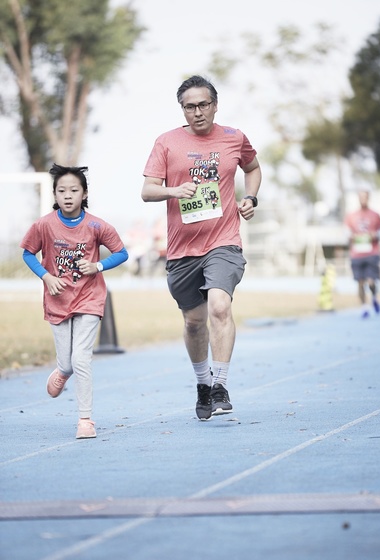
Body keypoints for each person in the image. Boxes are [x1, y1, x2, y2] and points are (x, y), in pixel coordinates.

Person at [141, 75, 261, 421]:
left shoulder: (233, 138)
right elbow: (148, 190)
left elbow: (252, 168)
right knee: (194, 323)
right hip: (182, 250)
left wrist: (250, 197)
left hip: (223, 241)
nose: (197, 112)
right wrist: (174, 191)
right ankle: (203, 385)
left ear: (215, 104)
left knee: (220, 307)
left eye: (203, 104)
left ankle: (220, 384)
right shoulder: (167, 142)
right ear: (182, 109)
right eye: (190, 106)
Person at [20, 164, 128, 439]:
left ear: (84, 193)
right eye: (62, 190)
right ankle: (61, 372)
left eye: (74, 190)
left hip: (89, 298)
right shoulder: (44, 224)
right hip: (57, 300)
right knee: (67, 364)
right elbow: (29, 254)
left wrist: (98, 267)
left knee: (81, 358)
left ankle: (85, 420)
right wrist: (46, 277)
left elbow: (121, 253)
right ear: (55, 195)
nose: (67, 195)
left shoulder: (96, 225)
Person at [344, 190, 380, 319]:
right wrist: (351, 237)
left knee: (371, 282)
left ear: (368, 198)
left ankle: (374, 297)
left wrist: (375, 235)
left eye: (365, 197)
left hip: (372, 253)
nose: (363, 199)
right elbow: (346, 233)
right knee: (360, 282)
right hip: (357, 254)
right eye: (360, 197)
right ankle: (364, 307)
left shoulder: (375, 215)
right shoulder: (351, 216)